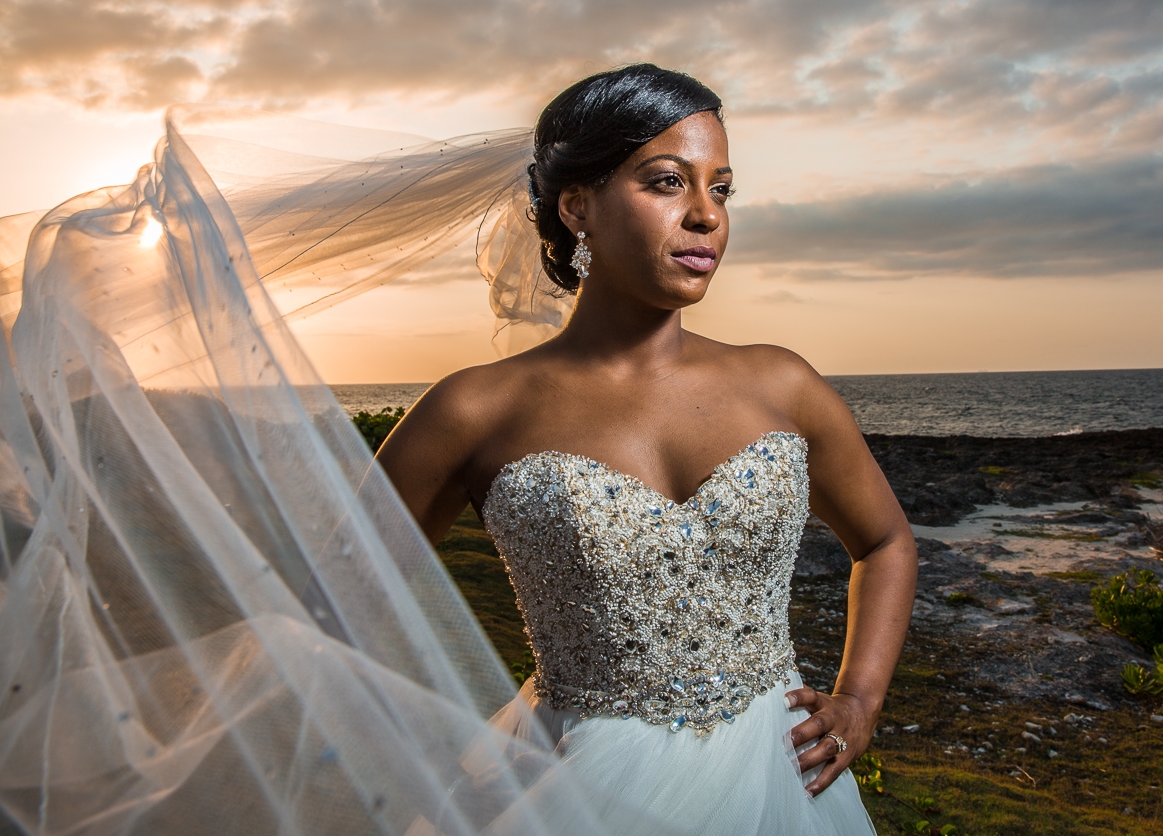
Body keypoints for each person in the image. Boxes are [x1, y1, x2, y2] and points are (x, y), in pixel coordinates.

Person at [377, 65, 919, 835]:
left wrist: (860, 699)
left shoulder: (782, 384)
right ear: (577, 206)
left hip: (785, 783)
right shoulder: (475, 408)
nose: (706, 216)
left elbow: (886, 540)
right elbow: (337, 598)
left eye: (722, 189)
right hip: (578, 784)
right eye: (668, 182)